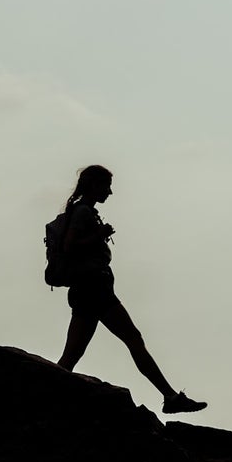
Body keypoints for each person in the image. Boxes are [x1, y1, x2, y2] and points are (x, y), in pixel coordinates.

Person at [55, 164, 207, 414]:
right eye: (107, 186)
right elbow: (70, 246)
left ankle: (44, 396)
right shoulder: (82, 212)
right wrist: (99, 235)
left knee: (71, 356)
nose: (110, 192)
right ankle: (170, 397)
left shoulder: (81, 210)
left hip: (86, 291)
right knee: (133, 339)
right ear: (94, 185)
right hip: (95, 290)